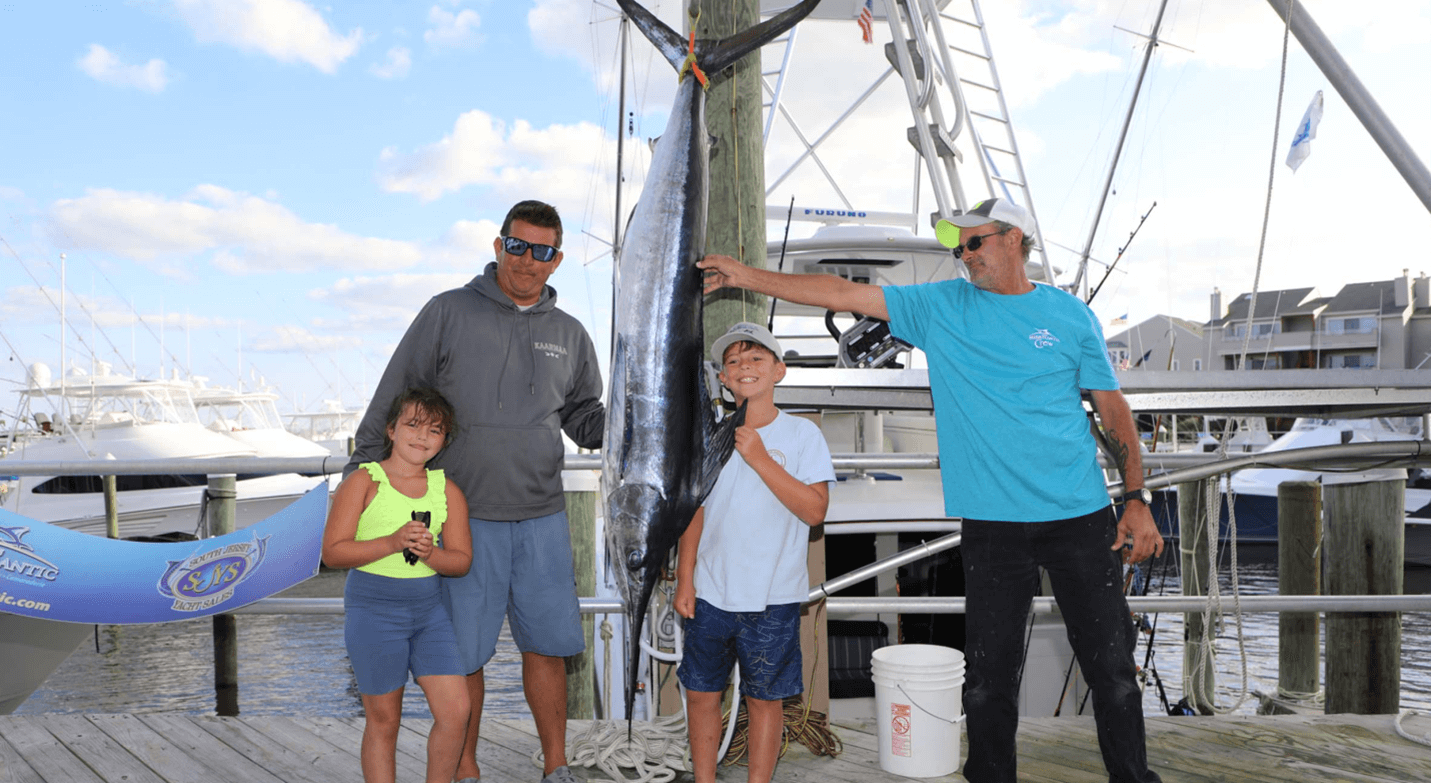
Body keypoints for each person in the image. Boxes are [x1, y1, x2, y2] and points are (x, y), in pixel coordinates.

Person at [698, 197, 1165, 783]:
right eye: (958, 245)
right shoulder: (939, 306)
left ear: (1015, 239)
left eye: (976, 242)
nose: (964, 254)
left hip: (1080, 516)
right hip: (993, 526)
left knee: (1114, 671)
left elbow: (1111, 407)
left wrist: (1137, 497)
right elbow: (837, 293)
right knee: (990, 680)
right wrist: (746, 276)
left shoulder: (1071, 317)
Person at [346, 200, 605, 783]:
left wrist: (640, 423)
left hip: (542, 516)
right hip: (461, 518)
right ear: (498, 246)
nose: (527, 261)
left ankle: (555, 765)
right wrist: (360, 479)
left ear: (556, 260)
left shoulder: (571, 334)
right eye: (517, 246)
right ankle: (465, 769)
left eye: (542, 252)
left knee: (549, 647)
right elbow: (394, 399)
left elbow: (587, 419)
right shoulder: (446, 312)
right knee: (464, 656)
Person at [673, 322, 835, 783]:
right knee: (702, 693)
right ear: (722, 378)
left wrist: (761, 459)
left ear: (779, 370)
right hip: (709, 595)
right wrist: (685, 579)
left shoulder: (803, 436)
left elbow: (815, 512)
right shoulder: (707, 438)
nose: (745, 367)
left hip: (774, 599)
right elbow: (694, 513)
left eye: (756, 358)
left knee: (766, 700)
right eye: (734, 362)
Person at [322, 387, 473, 783]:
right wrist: (391, 542)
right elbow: (333, 554)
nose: (423, 436)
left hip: (428, 615)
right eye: (413, 425)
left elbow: (459, 561)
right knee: (384, 720)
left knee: (456, 711)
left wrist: (429, 554)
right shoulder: (363, 481)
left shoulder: (448, 491)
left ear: (444, 442)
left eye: (435, 430)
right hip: (373, 612)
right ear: (390, 430)